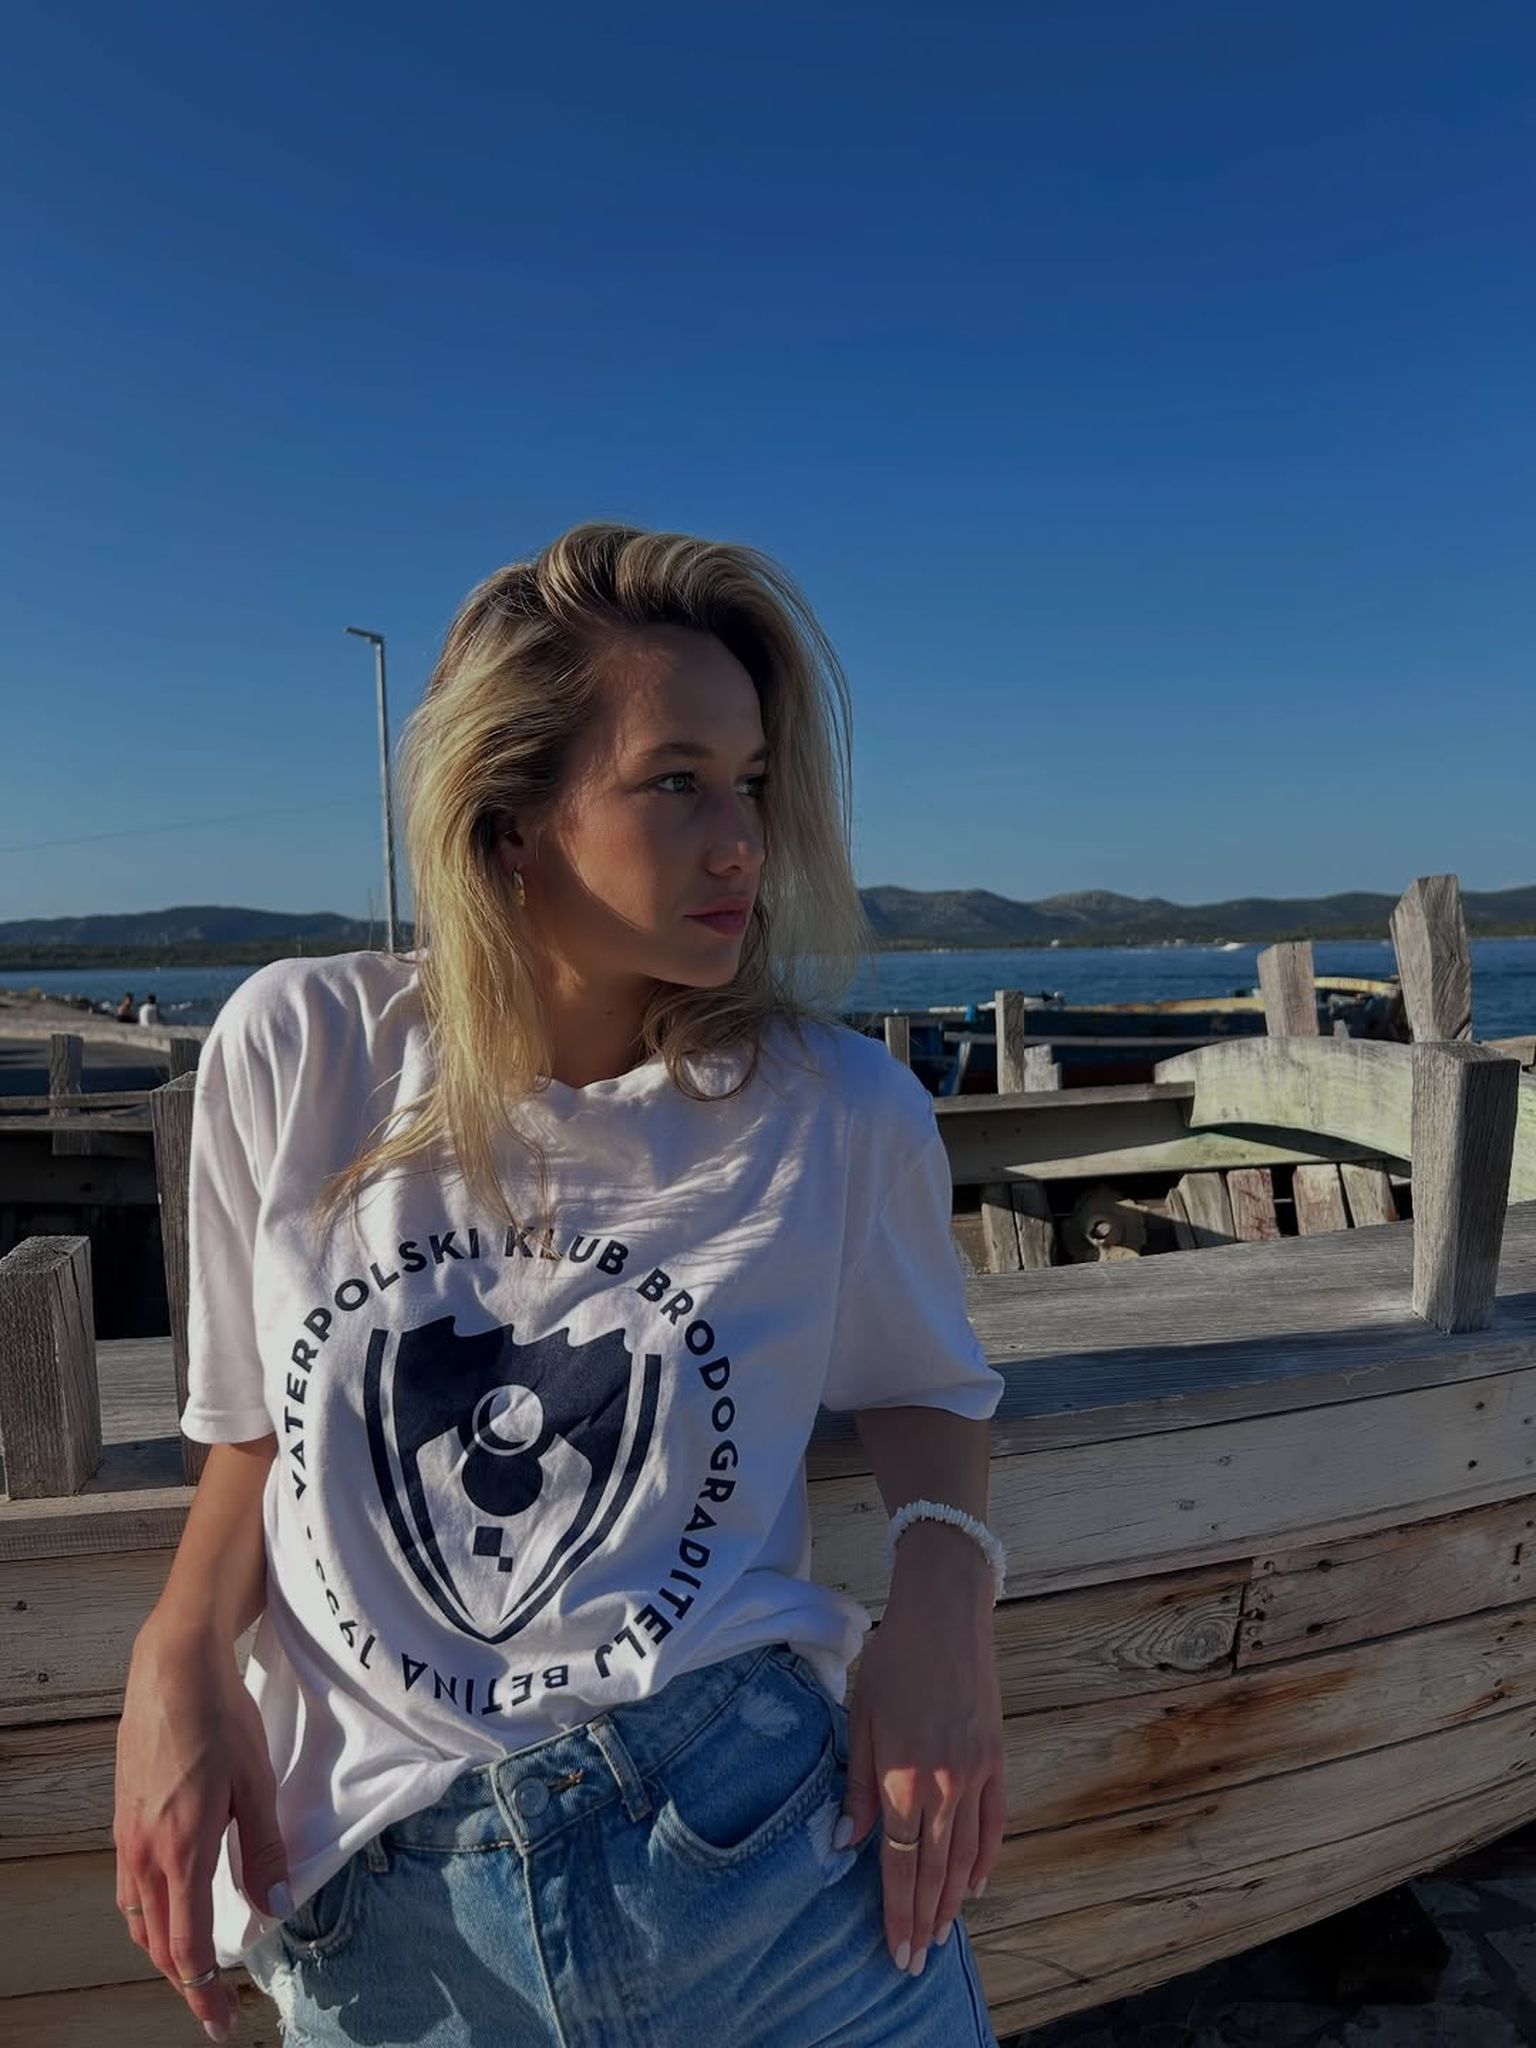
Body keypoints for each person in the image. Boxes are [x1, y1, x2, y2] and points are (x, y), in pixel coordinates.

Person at [113, 523, 1008, 2047]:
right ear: (512, 816)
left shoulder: (837, 1112)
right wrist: (179, 1648)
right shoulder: (300, 1051)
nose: (743, 842)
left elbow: (926, 1386)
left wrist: (946, 1613)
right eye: (678, 782)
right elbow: (255, 1431)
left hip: (756, 1852)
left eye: (753, 784)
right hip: (392, 1913)